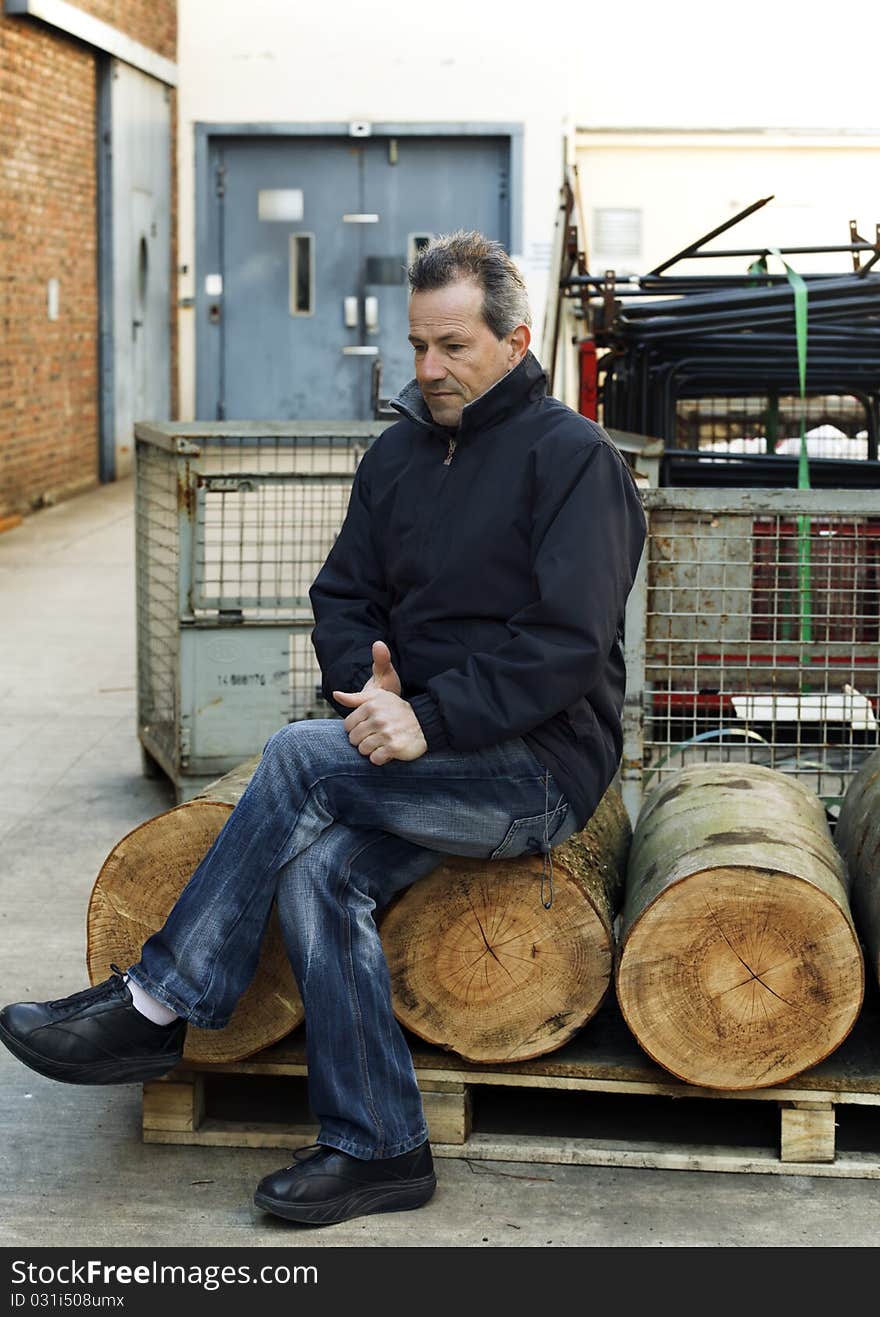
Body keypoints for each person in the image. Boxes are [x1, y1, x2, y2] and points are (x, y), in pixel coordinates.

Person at [0, 231, 646, 1227]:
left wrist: (428, 718)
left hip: (534, 770)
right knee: (319, 870)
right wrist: (369, 689)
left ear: (515, 341)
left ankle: (159, 1005)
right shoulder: (395, 456)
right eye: (418, 346)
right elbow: (342, 596)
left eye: (454, 347)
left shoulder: (573, 462)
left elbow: (566, 645)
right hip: (411, 752)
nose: (428, 369)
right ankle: (379, 1146)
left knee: (300, 757)